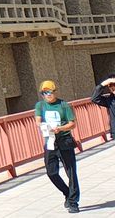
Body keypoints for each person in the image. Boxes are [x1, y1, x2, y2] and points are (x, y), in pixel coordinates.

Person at [35, 80, 80, 213]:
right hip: (50, 142)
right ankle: (67, 192)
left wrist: (60, 128)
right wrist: (44, 126)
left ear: (55, 92)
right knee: (51, 172)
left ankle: (73, 202)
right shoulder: (40, 105)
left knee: (71, 172)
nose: (47, 95)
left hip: (64, 140)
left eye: (50, 92)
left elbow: (72, 124)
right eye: (44, 92)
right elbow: (38, 120)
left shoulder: (63, 105)